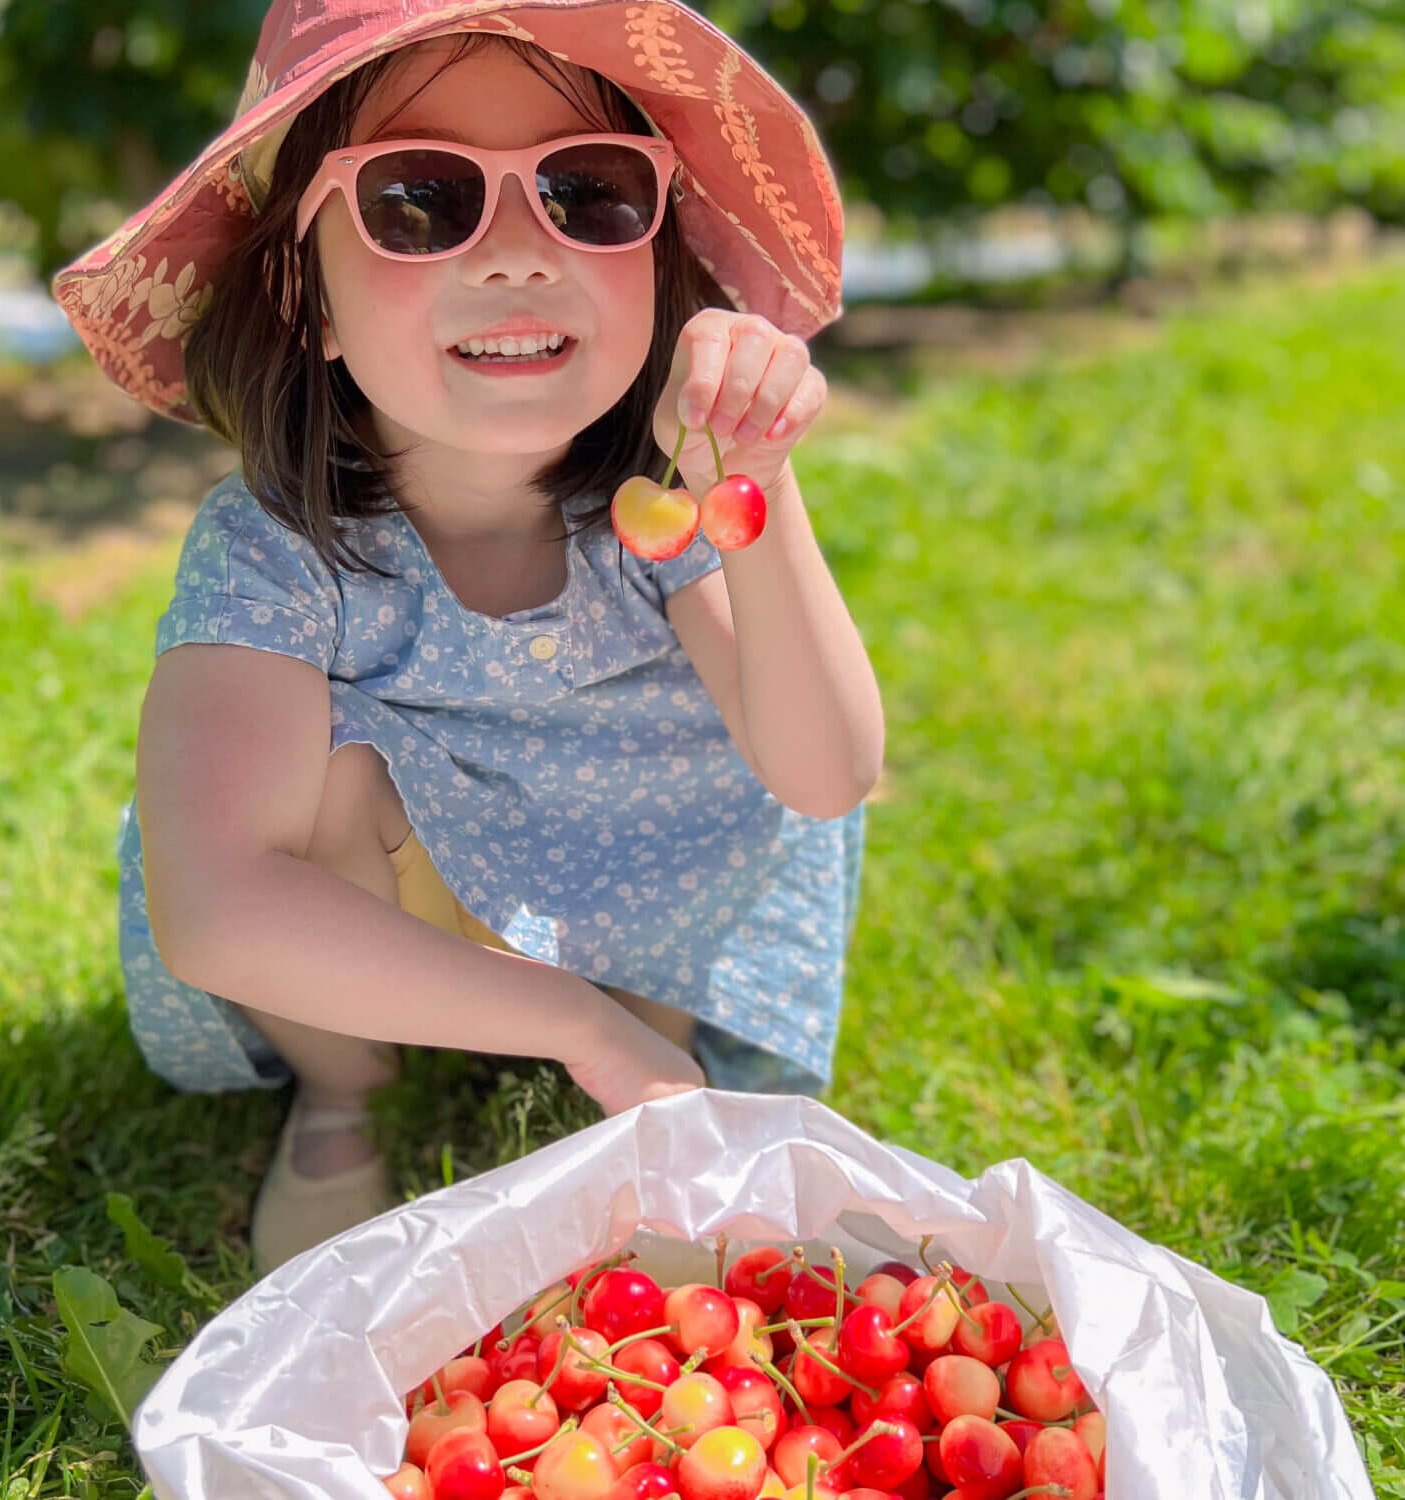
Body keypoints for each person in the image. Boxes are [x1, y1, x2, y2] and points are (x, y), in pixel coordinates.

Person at [52, 0, 883, 1277]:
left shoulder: (660, 511)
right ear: (303, 294)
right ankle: (346, 1092)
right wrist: (572, 1028)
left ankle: (640, 1058)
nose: (513, 256)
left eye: (591, 193)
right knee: (319, 779)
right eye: (421, 199)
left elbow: (824, 776)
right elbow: (216, 907)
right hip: (383, 916)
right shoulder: (280, 546)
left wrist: (759, 486)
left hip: (634, 918)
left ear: (654, 268)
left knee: (720, 746)